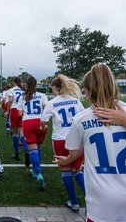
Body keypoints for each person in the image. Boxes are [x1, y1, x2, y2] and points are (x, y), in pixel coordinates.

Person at [55, 64, 126, 222]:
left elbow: (74, 152)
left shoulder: (82, 118)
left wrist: (66, 160)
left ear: (89, 91)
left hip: (102, 202)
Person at [41, 74, 84, 212]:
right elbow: (83, 117)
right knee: (77, 170)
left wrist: (43, 127)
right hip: (76, 138)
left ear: (55, 87)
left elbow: (43, 122)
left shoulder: (51, 102)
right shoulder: (76, 101)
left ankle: (74, 202)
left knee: (65, 170)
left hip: (60, 139)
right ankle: (93, 201)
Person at [17, 76, 48, 190]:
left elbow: (20, 114)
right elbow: (46, 109)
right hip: (40, 122)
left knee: (32, 148)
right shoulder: (43, 95)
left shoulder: (23, 96)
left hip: (28, 123)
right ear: (36, 84)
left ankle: (38, 173)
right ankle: (36, 170)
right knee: (38, 147)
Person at [5, 77, 26, 160]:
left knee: (15, 133)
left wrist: (7, 110)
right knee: (22, 133)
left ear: (14, 83)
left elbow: (10, 100)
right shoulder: (24, 90)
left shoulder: (11, 90)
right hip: (23, 111)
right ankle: (27, 149)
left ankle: (16, 152)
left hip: (14, 110)